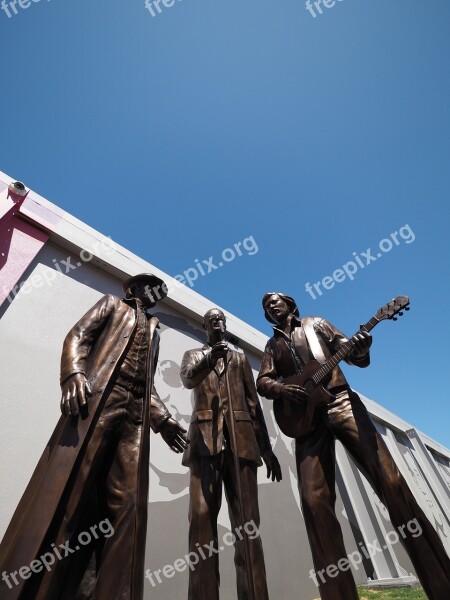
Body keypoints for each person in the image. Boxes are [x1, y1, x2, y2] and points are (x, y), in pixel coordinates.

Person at [0, 273, 188, 600]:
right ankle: (45, 589)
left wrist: (163, 420)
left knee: (129, 504)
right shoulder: (112, 305)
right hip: (101, 399)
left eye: (162, 290)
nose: (158, 292)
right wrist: (73, 372)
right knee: (75, 494)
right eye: (152, 286)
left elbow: (149, 384)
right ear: (134, 289)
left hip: (135, 415)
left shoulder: (156, 331)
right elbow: (78, 336)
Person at [256, 292, 450, 600]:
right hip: (305, 422)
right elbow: (263, 381)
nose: (271, 306)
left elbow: (356, 354)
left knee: (391, 484)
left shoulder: (316, 323)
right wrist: (282, 388)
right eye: (266, 306)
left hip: (341, 401)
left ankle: (443, 586)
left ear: (291, 305)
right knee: (313, 502)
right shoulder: (272, 346)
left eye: (276, 301)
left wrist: (361, 349)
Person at [180, 308, 282, 600]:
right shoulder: (193, 355)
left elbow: (253, 406)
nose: (218, 322)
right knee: (200, 524)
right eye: (212, 319)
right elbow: (188, 379)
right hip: (204, 445)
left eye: (221, 319)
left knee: (248, 528)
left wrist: (266, 449)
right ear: (205, 327)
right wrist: (210, 358)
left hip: (241, 444)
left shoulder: (238, 359)